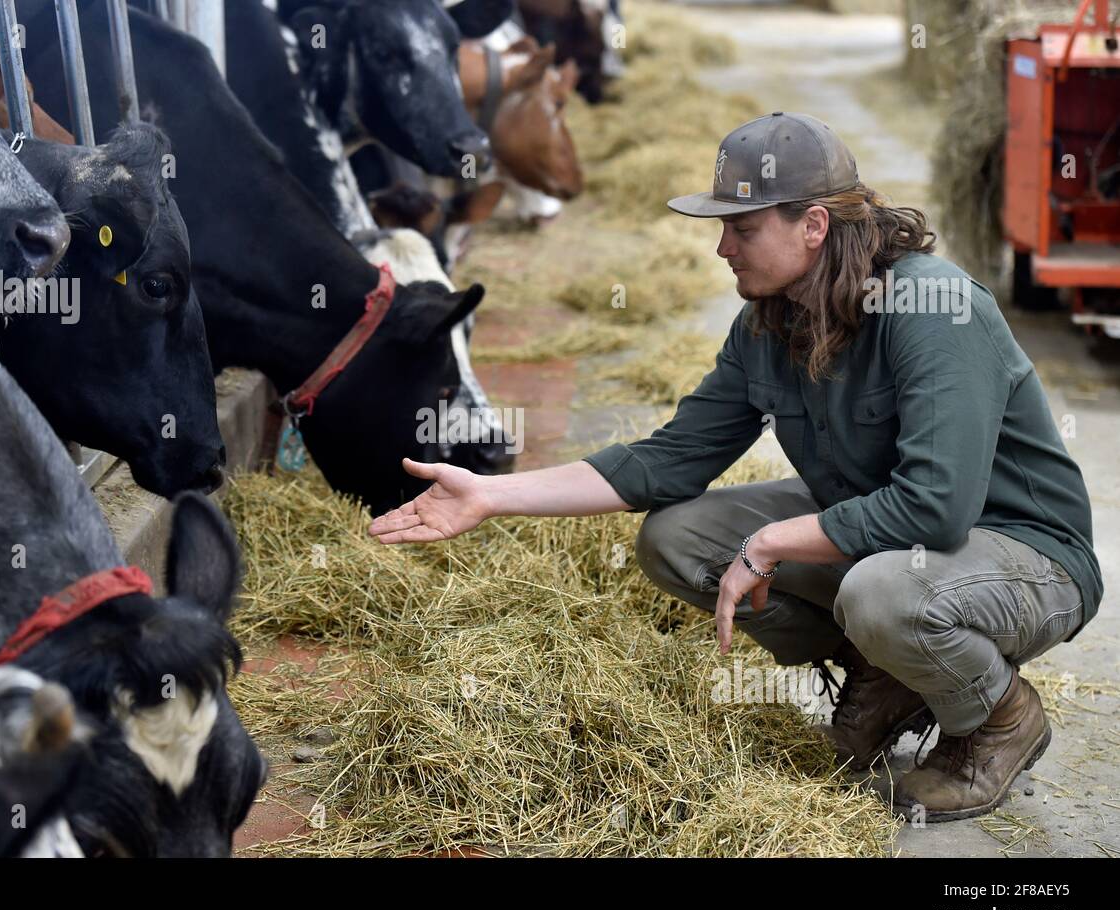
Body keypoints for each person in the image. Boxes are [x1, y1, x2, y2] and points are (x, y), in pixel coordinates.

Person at [368, 112, 1103, 823]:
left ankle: (998, 717)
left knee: (884, 592)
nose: (724, 247)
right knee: (676, 539)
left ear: (813, 226)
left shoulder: (934, 309)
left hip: (1024, 557)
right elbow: (667, 459)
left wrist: (773, 543)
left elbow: (936, 510)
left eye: (743, 227)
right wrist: (491, 495)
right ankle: (887, 676)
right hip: (905, 547)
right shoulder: (768, 322)